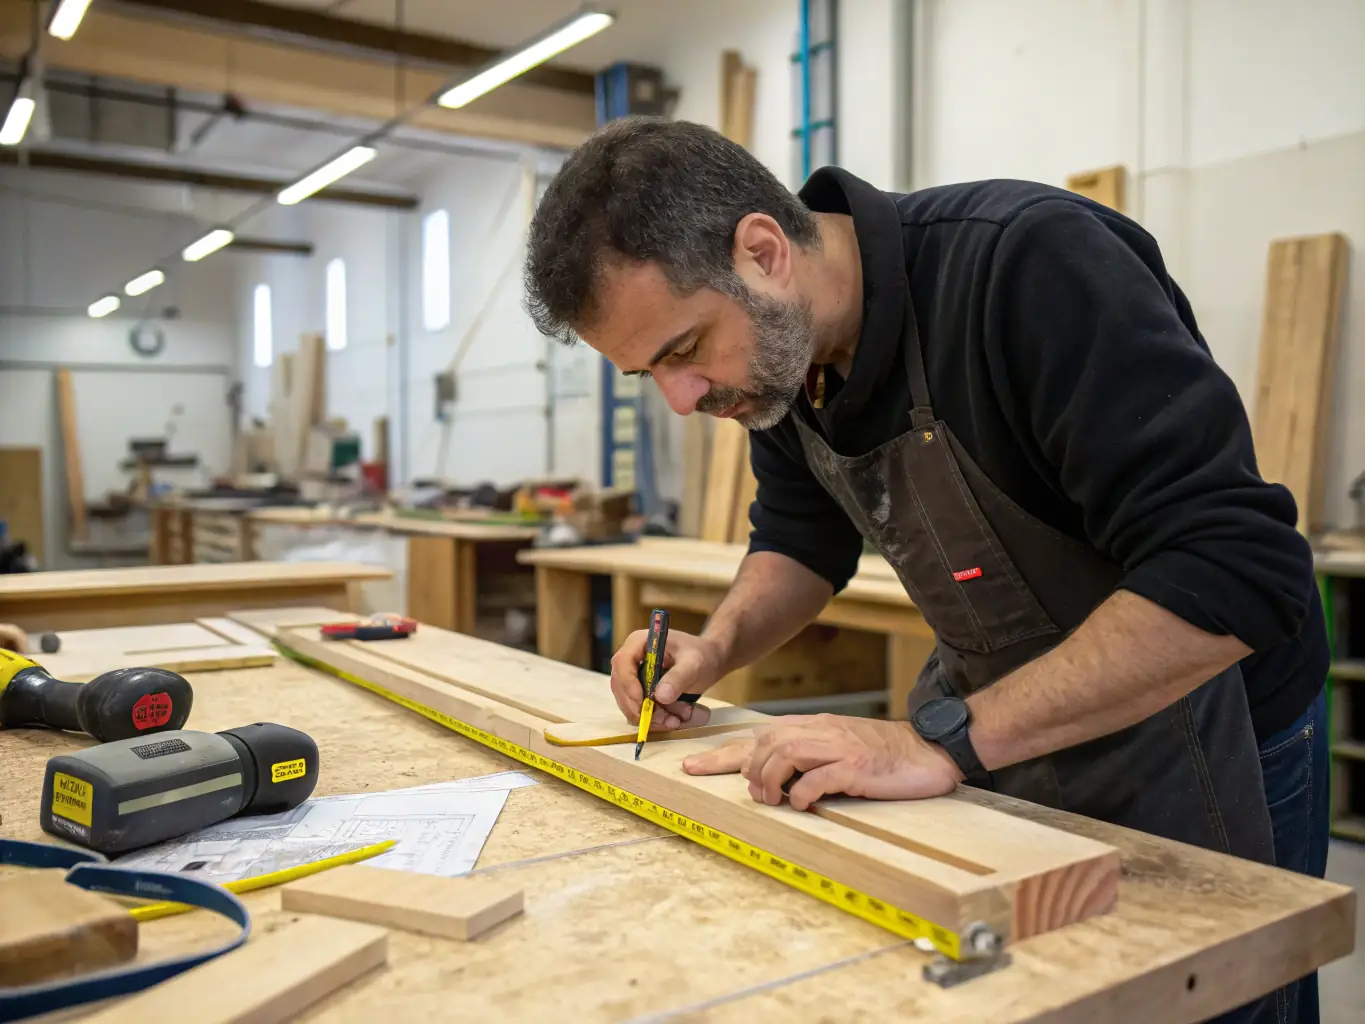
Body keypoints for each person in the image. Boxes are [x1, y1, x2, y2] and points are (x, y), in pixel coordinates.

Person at [523, 117, 1329, 1023]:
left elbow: (1233, 568)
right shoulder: (781, 363)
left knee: (1213, 997)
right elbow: (798, 541)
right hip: (1004, 725)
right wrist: (713, 650)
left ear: (763, 253)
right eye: (649, 375)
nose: (681, 398)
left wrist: (939, 741)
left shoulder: (1027, 266)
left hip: (1207, 720)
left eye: (682, 349)